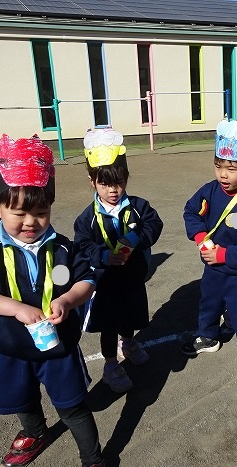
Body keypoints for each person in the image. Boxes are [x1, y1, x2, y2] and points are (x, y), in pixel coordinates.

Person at [0, 135, 107, 467]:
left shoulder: (63, 249)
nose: (30, 222)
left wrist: (67, 299)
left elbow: (85, 279)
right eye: (18, 212)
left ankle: (92, 458)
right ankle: (36, 432)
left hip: (58, 347)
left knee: (72, 407)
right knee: (22, 400)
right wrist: (14, 308)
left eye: (40, 213)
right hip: (10, 347)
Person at [74, 128, 163, 394]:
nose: (113, 190)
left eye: (119, 183)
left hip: (133, 277)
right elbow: (82, 246)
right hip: (106, 283)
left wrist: (135, 238)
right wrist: (102, 256)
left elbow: (154, 224)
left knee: (130, 317)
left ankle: (129, 343)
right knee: (109, 325)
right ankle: (111, 364)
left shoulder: (138, 206)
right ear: (92, 181)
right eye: (105, 184)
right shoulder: (87, 218)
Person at [182, 118, 237, 386]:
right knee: (209, 303)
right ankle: (208, 336)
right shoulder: (210, 190)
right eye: (218, 166)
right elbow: (191, 211)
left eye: (231, 168)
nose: (223, 175)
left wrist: (223, 255)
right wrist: (200, 238)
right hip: (212, 267)